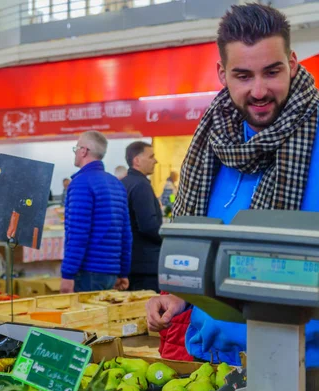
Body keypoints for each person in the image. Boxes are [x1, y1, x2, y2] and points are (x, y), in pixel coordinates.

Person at [146, 3, 319, 367]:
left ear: (293, 62)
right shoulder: (208, 146)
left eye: (272, 72)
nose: (259, 90)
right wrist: (182, 295)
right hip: (210, 360)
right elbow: (202, 251)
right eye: (243, 75)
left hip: (304, 366)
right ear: (222, 74)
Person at [60, 131, 132, 293]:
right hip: (111, 272)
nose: (75, 152)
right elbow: (126, 233)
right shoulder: (116, 184)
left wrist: (67, 274)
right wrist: (123, 272)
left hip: (87, 272)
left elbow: (78, 233)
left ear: (83, 151)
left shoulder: (80, 183)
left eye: (76, 148)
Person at [121, 141, 162, 292]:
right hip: (146, 266)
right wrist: (170, 239)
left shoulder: (124, 183)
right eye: (151, 156)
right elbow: (148, 226)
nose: (155, 161)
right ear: (136, 160)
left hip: (131, 263)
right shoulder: (141, 186)